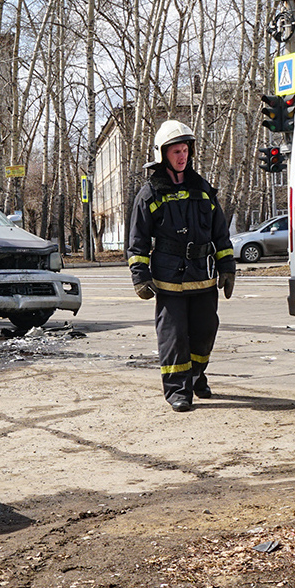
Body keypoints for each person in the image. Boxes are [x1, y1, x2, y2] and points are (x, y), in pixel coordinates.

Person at [126, 121, 234, 412]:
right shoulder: (150, 194)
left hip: (202, 277)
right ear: (163, 154)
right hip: (169, 281)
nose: (182, 156)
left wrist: (227, 266)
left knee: (205, 332)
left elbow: (220, 233)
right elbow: (137, 242)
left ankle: (196, 376)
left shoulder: (203, 190)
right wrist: (140, 275)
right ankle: (177, 391)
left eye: (185, 150)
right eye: (176, 151)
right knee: (173, 338)